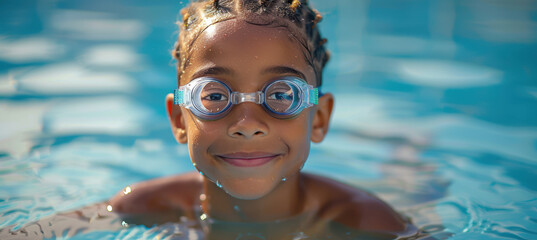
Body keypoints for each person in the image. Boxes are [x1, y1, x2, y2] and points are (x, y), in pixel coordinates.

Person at [107, 0, 413, 238]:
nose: (247, 124)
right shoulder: (141, 207)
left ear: (318, 119)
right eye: (214, 96)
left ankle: (407, 153)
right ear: (178, 119)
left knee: (410, 186)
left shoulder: (369, 223)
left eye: (281, 95)